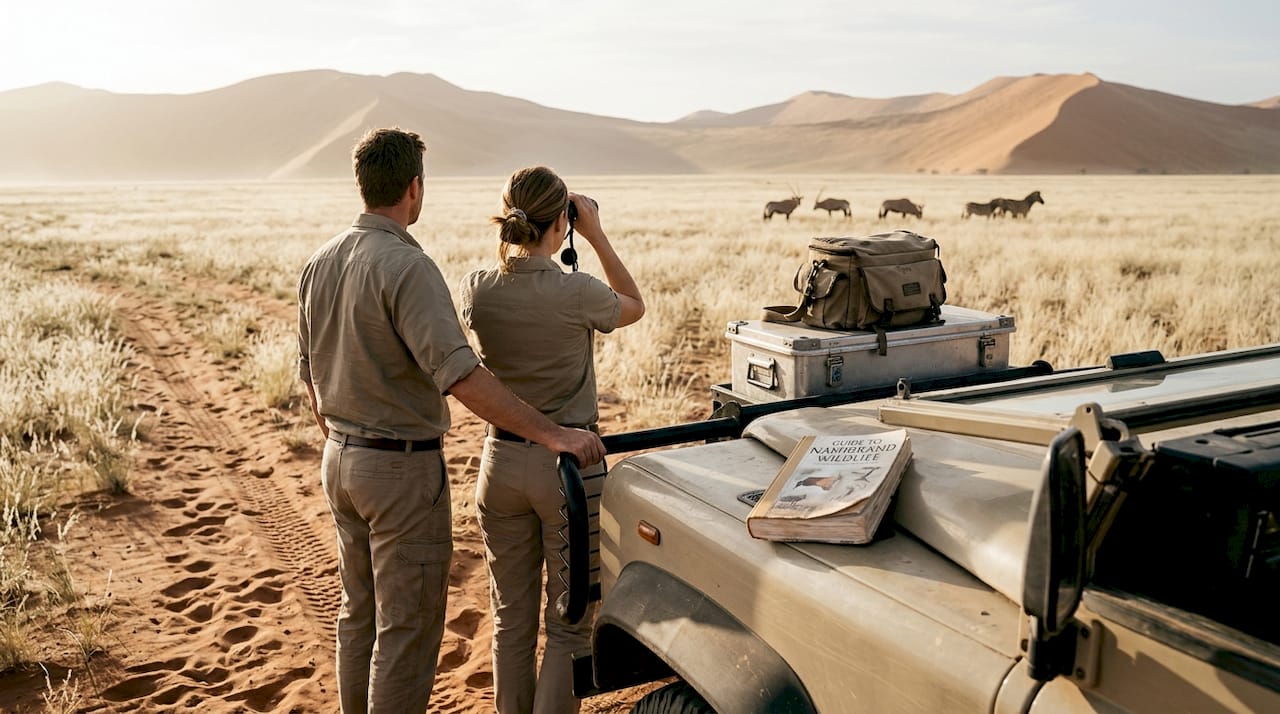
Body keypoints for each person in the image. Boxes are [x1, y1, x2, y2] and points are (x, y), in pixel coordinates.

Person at [297, 130, 605, 714]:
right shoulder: (407, 266)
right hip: (397, 470)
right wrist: (553, 433)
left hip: (338, 458)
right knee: (405, 630)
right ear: (414, 187)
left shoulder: (320, 261)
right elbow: (461, 376)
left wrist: (346, 440)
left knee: (356, 615)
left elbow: (310, 376)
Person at [458, 166, 645, 714]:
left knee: (509, 617)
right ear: (562, 220)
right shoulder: (577, 290)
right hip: (570, 468)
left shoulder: (478, 288)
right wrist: (596, 234)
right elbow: (633, 304)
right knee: (568, 624)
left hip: (499, 464)